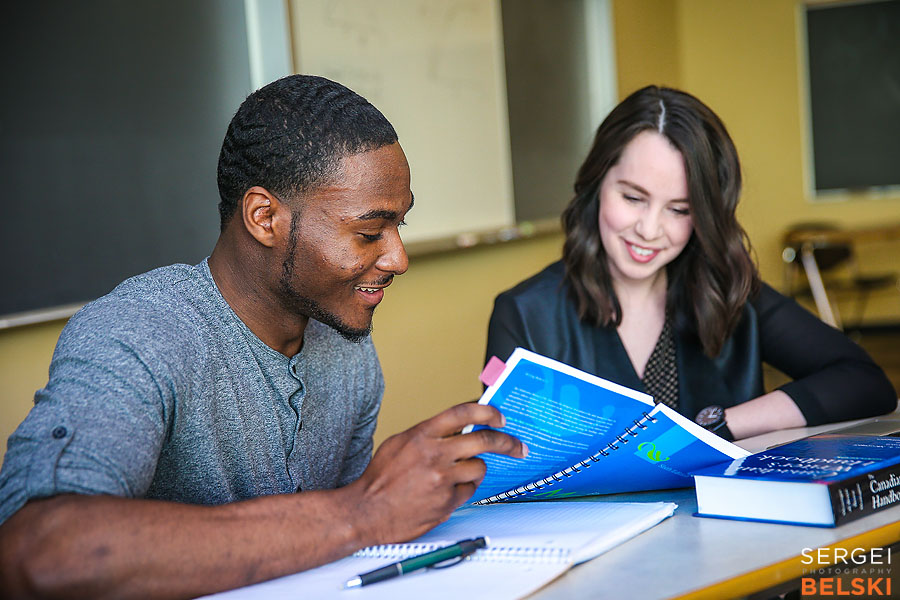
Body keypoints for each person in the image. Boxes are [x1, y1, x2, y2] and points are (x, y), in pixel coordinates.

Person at [0, 75, 527, 599]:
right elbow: (40, 553)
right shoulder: (138, 335)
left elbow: (339, 553)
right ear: (263, 217)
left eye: (399, 227)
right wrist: (364, 509)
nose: (397, 258)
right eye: (369, 233)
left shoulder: (348, 347)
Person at [486, 85, 896, 442]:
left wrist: (721, 425)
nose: (649, 229)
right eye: (633, 198)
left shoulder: (729, 293)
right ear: (596, 185)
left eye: (679, 209)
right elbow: (509, 455)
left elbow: (864, 382)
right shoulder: (524, 313)